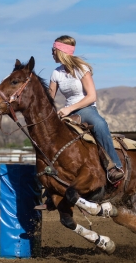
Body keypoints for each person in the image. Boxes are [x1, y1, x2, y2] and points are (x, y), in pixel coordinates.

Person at [48, 35, 124, 183]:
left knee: (100, 124)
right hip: (67, 112)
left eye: (53, 50)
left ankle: (115, 166)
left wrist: (69, 109)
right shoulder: (56, 73)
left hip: (85, 109)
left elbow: (91, 96)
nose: (52, 53)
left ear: (61, 51)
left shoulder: (81, 69)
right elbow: (49, 98)